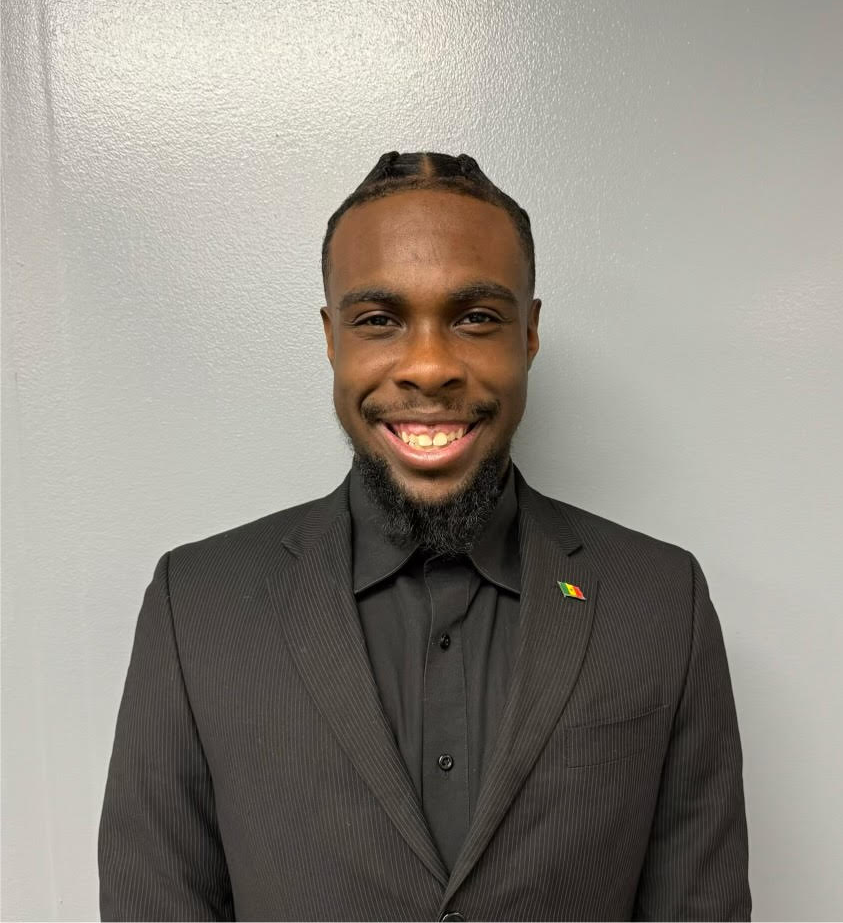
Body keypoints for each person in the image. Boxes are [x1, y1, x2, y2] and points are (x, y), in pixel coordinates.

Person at [99, 151, 750, 921]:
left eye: (476, 318)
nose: (431, 366)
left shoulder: (662, 602)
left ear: (529, 333)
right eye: (379, 320)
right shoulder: (195, 607)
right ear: (333, 338)